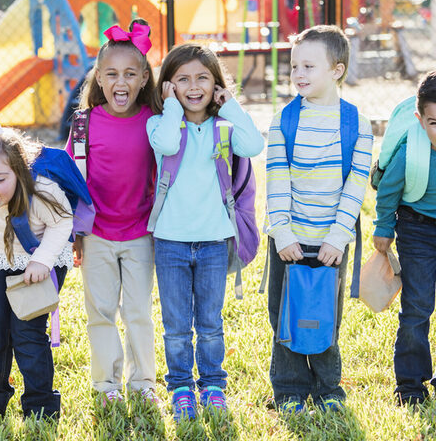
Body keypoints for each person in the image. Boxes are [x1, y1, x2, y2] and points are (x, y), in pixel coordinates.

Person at [147, 43, 264, 422]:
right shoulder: (160, 123)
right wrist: (170, 107)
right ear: (168, 86)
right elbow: (166, 144)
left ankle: (213, 384)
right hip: (170, 242)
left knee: (211, 323)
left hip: (215, 240)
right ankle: (181, 387)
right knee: (177, 326)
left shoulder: (224, 127)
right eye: (182, 79)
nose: (193, 86)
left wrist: (229, 105)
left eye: (203, 78)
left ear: (216, 85)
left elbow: (254, 144)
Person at [264, 25, 373, 413]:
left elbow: (355, 186)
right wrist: (282, 233)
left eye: (309, 66)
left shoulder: (356, 124)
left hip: (330, 243)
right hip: (289, 241)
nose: (298, 74)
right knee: (285, 319)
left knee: (325, 318)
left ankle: (328, 389)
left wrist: (338, 238)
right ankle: (289, 390)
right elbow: (276, 179)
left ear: (337, 70)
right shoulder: (284, 121)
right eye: (295, 66)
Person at [66, 19, 158, 404]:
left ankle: (143, 385)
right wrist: (74, 234)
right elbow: (70, 180)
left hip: (141, 234)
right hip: (97, 235)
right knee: (101, 312)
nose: (121, 82)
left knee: (138, 312)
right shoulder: (85, 124)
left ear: (143, 78)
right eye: (112, 74)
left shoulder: (156, 123)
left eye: (130, 74)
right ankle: (106, 386)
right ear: (99, 79)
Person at [0, 120, 73, 420]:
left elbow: (63, 223)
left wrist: (42, 260)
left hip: (39, 260)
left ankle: (41, 406)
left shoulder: (41, 189)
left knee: (27, 333)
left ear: (18, 171)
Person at [373, 71, 436, 407]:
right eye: (434, 122)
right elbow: (389, 189)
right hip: (417, 229)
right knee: (417, 306)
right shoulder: (412, 148)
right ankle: (410, 384)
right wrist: (383, 229)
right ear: (420, 119)